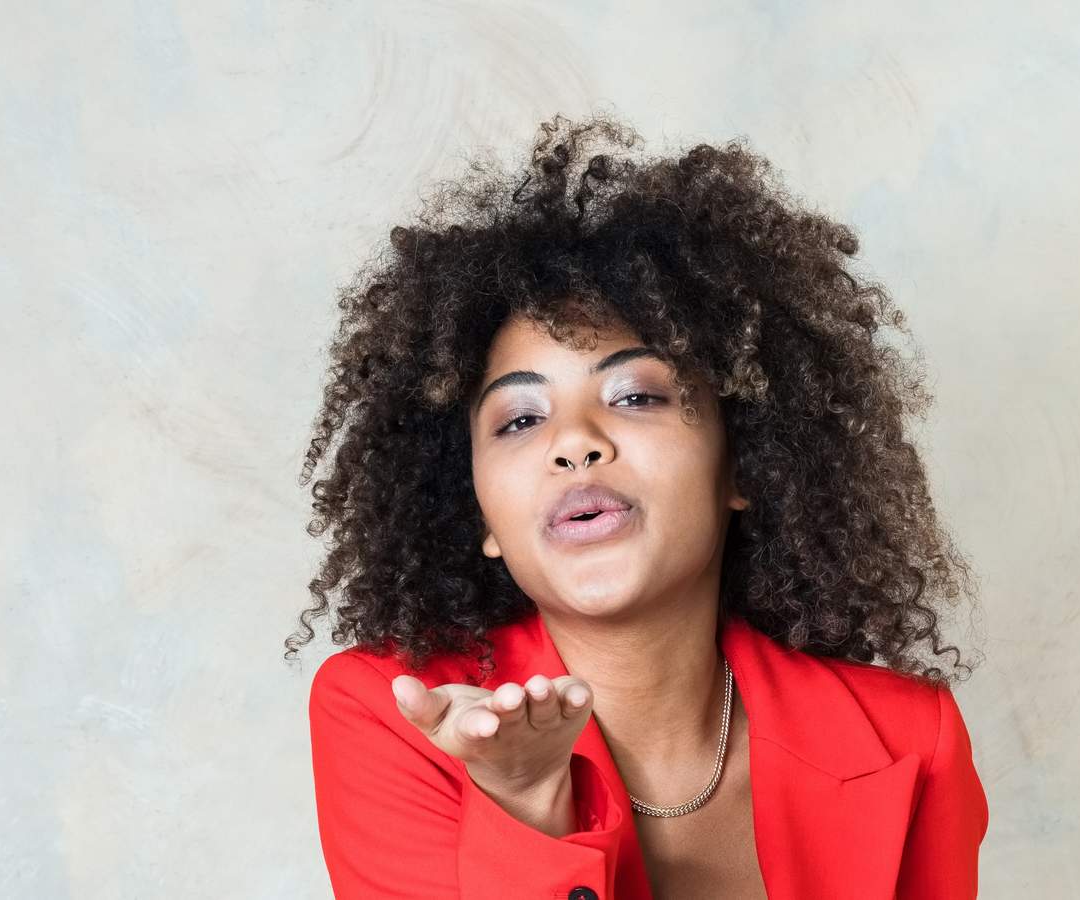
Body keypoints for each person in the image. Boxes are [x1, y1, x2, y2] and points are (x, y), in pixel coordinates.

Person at [287, 111, 988, 899]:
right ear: (481, 515)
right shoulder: (393, 716)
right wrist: (525, 804)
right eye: (520, 419)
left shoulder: (909, 739)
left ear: (744, 463)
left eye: (636, 396)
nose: (574, 442)